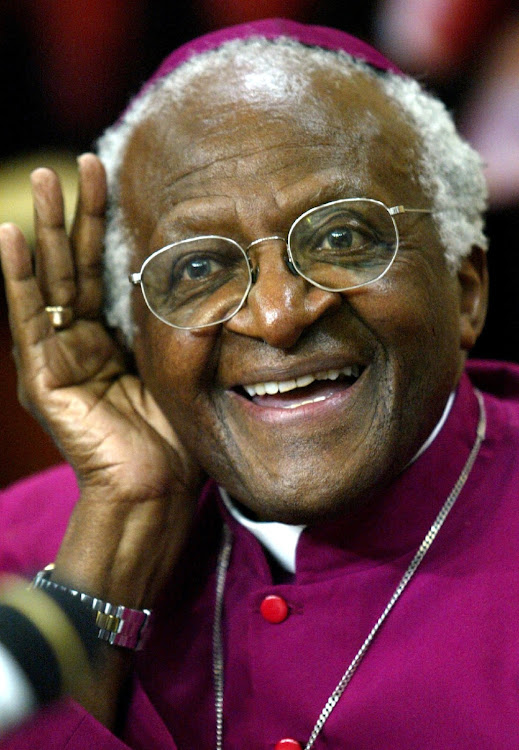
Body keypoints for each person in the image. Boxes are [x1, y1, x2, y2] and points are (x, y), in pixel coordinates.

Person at [0, 17, 518, 750]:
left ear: (464, 288)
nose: (276, 317)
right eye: (199, 269)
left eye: (341, 238)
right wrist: (113, 540)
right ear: (135, 335)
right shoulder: (17, 557)